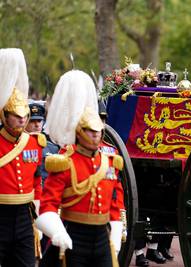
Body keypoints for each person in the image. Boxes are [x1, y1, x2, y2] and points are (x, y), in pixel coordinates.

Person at [35, 70, 126, 267]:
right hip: (73, 234)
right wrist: (57, 231)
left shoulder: (110, 162)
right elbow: (48, 206)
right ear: (79, 131)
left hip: (102, 238)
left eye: (98, 132)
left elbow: (115, 206)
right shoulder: (64, 163)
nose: (95, 136)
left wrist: (116, 235)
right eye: (90, 132)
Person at [0, 48, 45, 267]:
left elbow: (37, 179)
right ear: (4, 116)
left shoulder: (35, 143)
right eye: (16, 117)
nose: (22, 120)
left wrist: (41, 214)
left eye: (24, 116)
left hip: (25, 217)